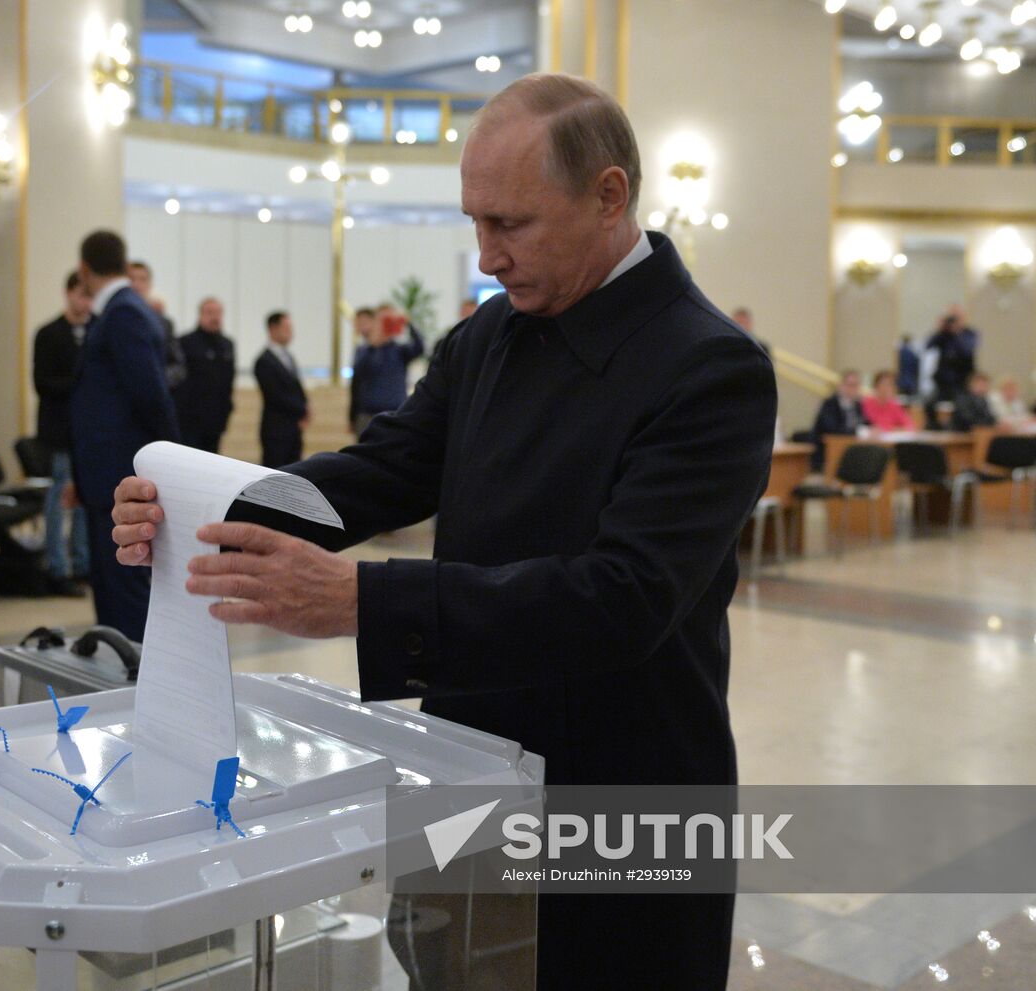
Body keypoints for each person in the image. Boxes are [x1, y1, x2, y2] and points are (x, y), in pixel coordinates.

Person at [113, 73, 776, 989]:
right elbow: (385, 468)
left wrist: (360, 600)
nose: (485, 256)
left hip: (620, 784)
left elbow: (625, 598)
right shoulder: (491, 334)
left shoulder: (710, 367)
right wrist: (207, 509)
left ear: (609, 195)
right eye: (475, 222)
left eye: (510, 224)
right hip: (466, 760)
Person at [69, 229, 180, 641]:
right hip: (105, 474)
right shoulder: (118, 310)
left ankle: (134, 673)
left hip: (120, 473)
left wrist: (167, 465)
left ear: (84, 268)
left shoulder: (124, 313)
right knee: (109, 587)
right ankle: (119, 668)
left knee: (124, 588)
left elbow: (151, 396)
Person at [32, 271, 91, 597]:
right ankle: (57, 566)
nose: (85, 302)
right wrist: (81, 385)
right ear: (68, 294)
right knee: (59, 501)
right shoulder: (49, 334)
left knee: (85, 501)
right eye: (81, 295)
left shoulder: (96, 331)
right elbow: (42, 383)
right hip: (59, 432)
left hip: (87, 434)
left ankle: (83, 564)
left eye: (89, 296)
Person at [348, 303, 424, 436]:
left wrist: (407, 323)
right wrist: (374, 343)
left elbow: (420, 348)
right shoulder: (364, 350)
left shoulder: (399, 350)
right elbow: (359, 374)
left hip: (395, 412)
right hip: (368, 413)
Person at [173, 297, 234, 453]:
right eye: (210, 313)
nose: (215, 317)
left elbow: (228, 381)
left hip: (216, 420)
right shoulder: (185, 342)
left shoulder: (227, 345)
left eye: (218, 313)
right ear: (200, 315)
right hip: (190, 421)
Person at [253, 310, 309, 467]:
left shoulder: (289, 357)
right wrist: (301, 408)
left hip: (293, 428)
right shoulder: (264, 361)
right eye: (287, 328)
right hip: (276, 429)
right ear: (273, 328)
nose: (291, 333)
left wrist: (305, 407)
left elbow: (296, 387)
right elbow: (275, 395)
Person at [128, 260, 186, 390]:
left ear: (149, 284)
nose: (136, 284)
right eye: (131, 279)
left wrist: (157, 379)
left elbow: (178, 366)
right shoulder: (112, 318)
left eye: (142, 279)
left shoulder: (164, 324)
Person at [810, 369, 869, 470]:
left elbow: (866, 422)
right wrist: (858, 431)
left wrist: (872, 429)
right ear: (841, 386)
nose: (853, 389)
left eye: (856, 385)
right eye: (850, 385)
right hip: (828, 451)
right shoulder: (830, 404)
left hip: (853, 447)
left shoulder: (857, 404)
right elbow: (832, 429)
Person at [925, 305, 979, 402]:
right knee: (931, 405)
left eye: (957, 317)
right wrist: (939, 330)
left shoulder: (970, 334)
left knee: (961, 408)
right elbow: (928, 346)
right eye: (952, 317)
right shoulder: (943, 334)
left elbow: (966, 351)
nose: (954, 320)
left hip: (962, 381)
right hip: (943, 381)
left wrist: (957, 332)